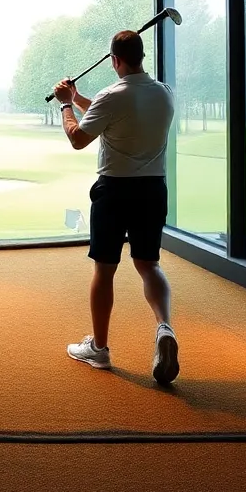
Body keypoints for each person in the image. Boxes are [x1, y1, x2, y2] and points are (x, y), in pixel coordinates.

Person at [51, 30, 180, 385]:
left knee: (105, 269)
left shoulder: (112, 96)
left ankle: (100, 349)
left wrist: (64, 104)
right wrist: (77, 97)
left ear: (115, 61)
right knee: (148, 264)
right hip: (153, 189)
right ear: (141, 57)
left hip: (114, 191)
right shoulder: (164, 93)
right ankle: (164, 327)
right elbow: (113, 114)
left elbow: (79, 138)